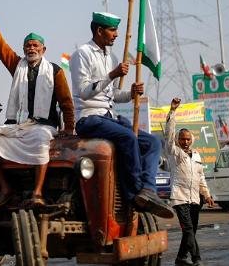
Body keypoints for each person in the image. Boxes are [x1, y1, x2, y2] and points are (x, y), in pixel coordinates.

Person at [69, 11, 174, 219]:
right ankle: (134, 193)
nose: (116, 34)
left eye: (117, 30)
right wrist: (112, 75)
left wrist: (131, 94)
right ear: (99, 31)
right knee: (128, 137)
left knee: (152, 142)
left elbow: (114, 95)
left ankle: (148, 189)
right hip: (89, 118)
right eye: (112, 30)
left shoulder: (113, 57)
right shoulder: (82, 53)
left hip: (109, 116)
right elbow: (84, 91)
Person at [0, 5, 75, 207]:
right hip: (18, 125)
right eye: (28, 46)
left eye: (35, 45)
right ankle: (5, 188)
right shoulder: (17, 66)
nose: (31, 48)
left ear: (43, 49)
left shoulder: (55, 71)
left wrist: (69, 128)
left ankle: (37, 193)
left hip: (42, 126)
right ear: (23, 50)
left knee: (40, 138)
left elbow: (66, 103)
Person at [163, 98, 214, 266]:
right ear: (178, 140)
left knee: (190, 231)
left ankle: (180, 258)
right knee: (189, 229)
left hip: (195, 198)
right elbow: (169, 136)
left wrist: (207, 195)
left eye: (187, 139)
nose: (184, 142)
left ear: (191, 140)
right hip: (180, 197)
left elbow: (201, 178)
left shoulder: (197, 155)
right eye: (182, 139)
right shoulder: (175, 153)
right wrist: (172, 112)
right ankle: (196, 258)